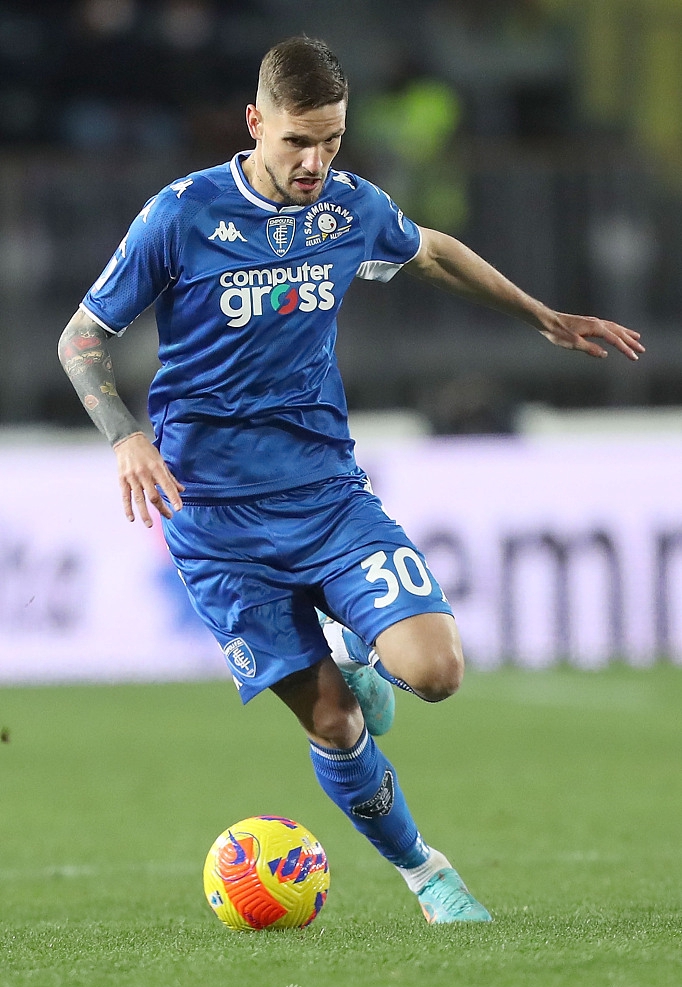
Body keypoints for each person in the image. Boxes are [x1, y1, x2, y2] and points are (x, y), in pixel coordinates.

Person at [58, 36, 643, 924]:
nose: (315, 162)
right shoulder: (181, 215)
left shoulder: (349, 208)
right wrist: (125, 436)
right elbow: (80, 337)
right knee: (334, 723)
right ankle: (427, 874)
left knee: (436, 672)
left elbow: (432, 251)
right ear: (255, 123)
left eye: (331, 140)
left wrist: (540, 315)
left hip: (326, 495)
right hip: (212, 517)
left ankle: (364, 655)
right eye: (298, 141)